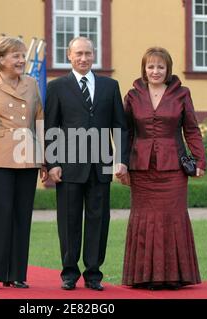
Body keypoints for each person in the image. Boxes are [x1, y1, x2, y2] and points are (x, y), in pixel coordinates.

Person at [44, 36, 129, 291]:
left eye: (88, 54)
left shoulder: (110, 86)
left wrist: (121, 160)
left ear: (94, 55)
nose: (83, 58)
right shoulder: (58, 86)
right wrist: (53, 162)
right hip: (69, 166)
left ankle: (94, 274)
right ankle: (69, 273)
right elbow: (51, 126)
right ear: (69, 55)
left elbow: (120, 126)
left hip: (101, 165)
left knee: (98, 220)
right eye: (78, 53)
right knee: (69, 221)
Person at [120, 47, 206, 290]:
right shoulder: (133, 95)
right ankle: (144, 276)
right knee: (144, 219)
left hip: (173, 169)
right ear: (144, 69)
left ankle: (173, 276)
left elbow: (191, 129)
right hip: (142, 168)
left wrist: (200, 160)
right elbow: (126, 132)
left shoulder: (181, 94)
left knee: (172, 218)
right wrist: (122, 162)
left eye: (160, 67)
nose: (155, 71)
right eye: (151, 67)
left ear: (168, 69)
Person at [0, 36, 47, 290]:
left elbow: (40, 122)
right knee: (0, 214)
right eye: (15, 56)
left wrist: (45, 158)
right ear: (1, 59)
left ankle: (16, 274)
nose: (21, 60)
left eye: (22, 55)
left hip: (27, 157)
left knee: (21, 216)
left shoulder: (32, 83)